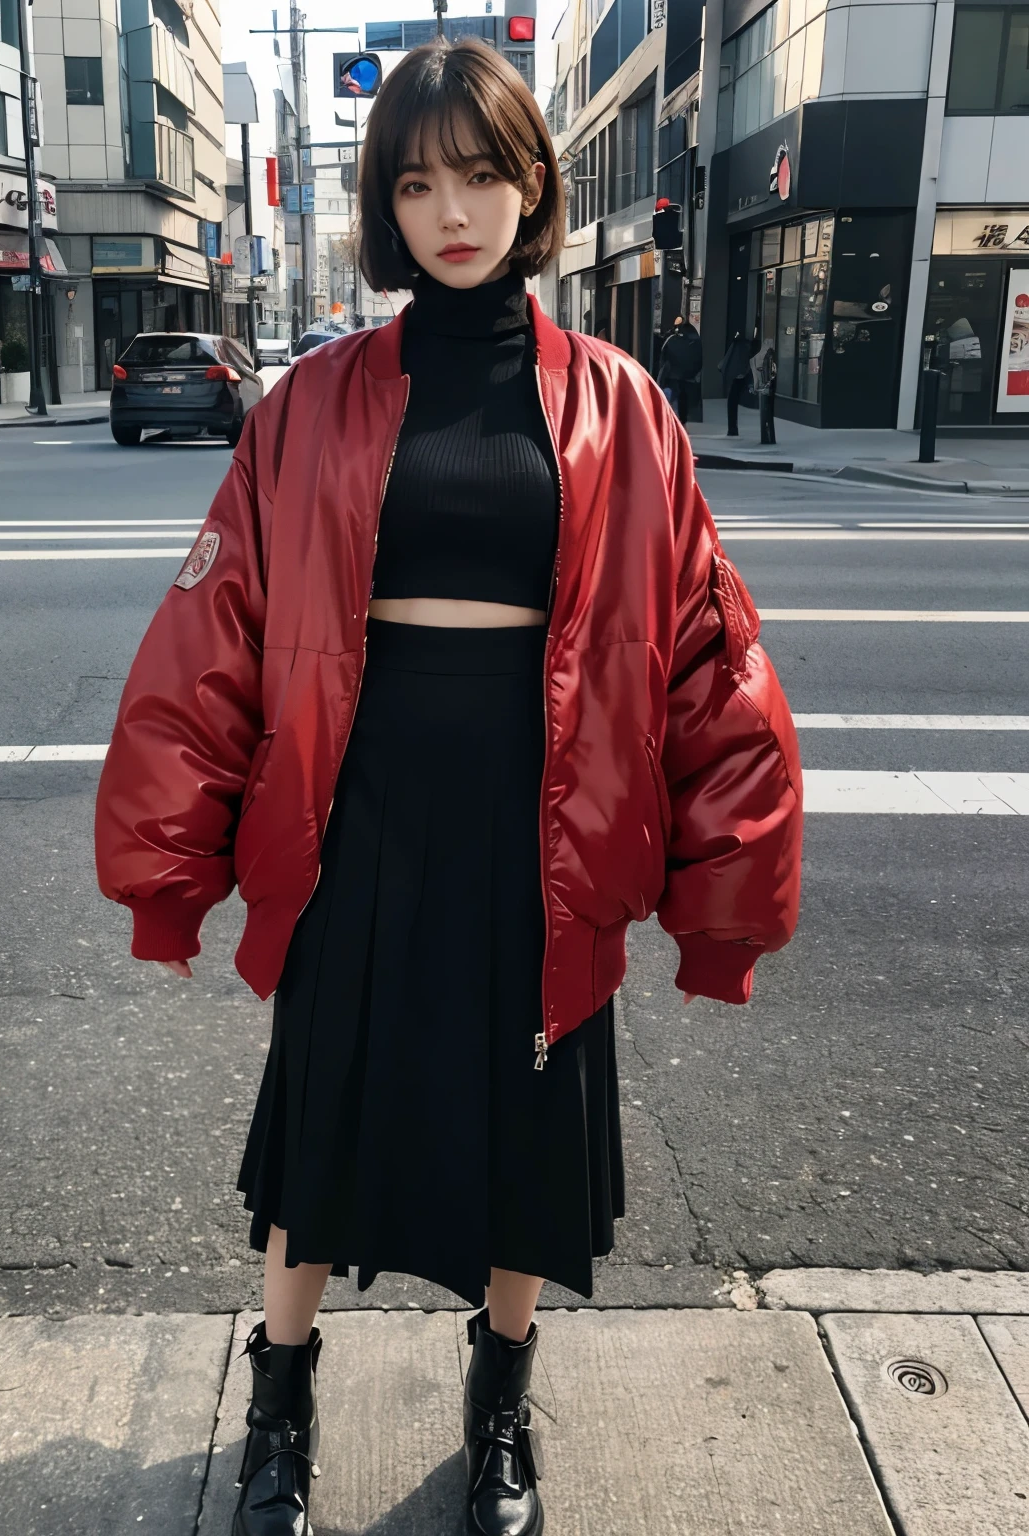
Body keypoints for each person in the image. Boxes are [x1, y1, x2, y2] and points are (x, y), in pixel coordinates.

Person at [94, 37, 803, 1536]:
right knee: (324, 1108)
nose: (454, 209)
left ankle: (501, 1400)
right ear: (386, 206)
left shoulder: (623, 407)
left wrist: (724, 901)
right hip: (358, 805)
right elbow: (215, 637)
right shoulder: (309, 404)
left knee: (522, 1126)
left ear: (535, 185)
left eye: (481, 173)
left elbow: (704, 652)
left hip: (545, 811)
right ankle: (279, 1402)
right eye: (418, 182)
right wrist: (169, 871)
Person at [656, 314, 703, 425]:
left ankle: (671, 421)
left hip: (673, 374)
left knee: (672, 397)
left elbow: (663, 356)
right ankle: (682, 422)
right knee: (683, 398)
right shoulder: (694, 337)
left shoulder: (671, 337)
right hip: (688, 375)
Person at [719, 327, 760, 436]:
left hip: (744, 371)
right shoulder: (748, 342)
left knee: (733, 398)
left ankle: (732, 428)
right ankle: (732, 428)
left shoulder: (741, 342)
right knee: (734, 397)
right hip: (748, 371)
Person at [753, 337, 777, 444]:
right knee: (768, 413)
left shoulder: (762, 355)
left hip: (765, 386)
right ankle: (769, 437)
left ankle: (769, 437)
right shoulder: (769, 355)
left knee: (767, 413)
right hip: (767, 386)